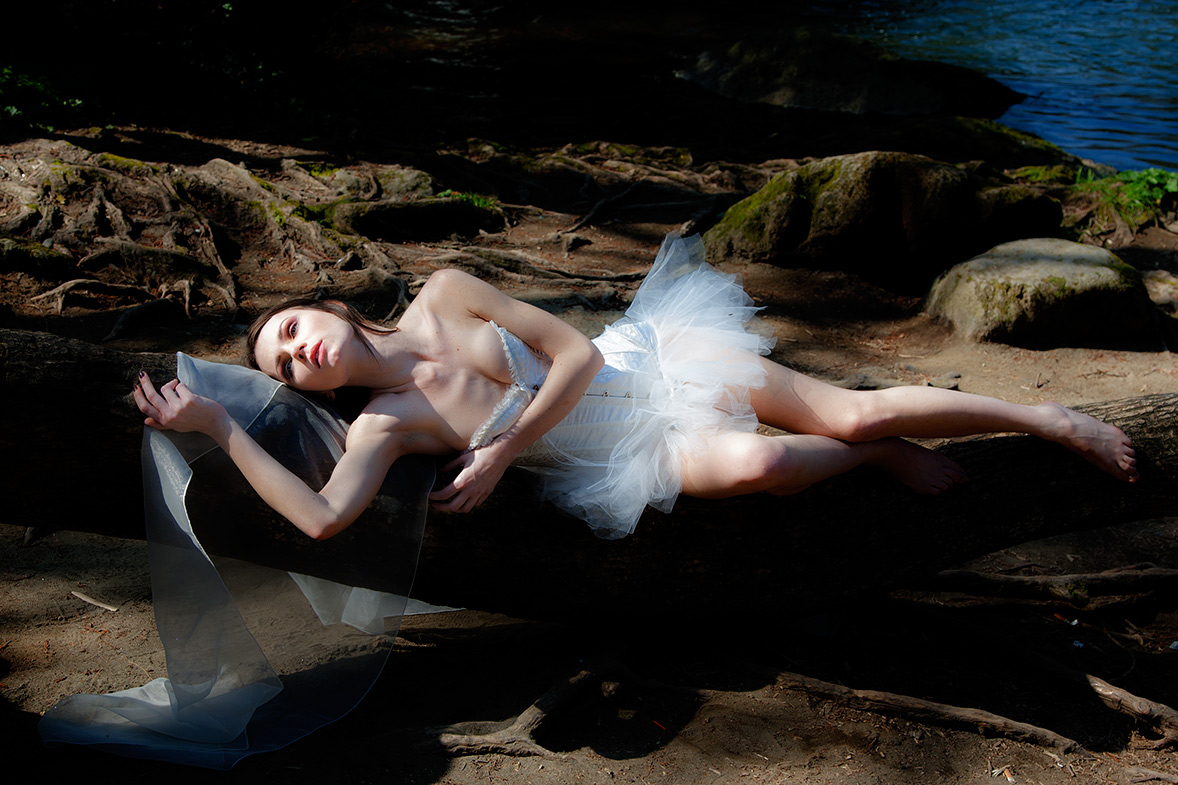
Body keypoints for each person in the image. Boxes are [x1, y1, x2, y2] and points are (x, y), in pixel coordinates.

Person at [133, 234, 1138, 540]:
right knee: (761, 467)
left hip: (651, 364)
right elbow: (319, 519)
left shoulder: (445, 293)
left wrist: (501, 449)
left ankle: (1042, 417)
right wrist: (220, 422)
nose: (296, 355)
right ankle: (874, 459)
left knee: (853, 406)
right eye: (279, 367)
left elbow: (572, 355)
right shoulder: (386, 425)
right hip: (626, 451)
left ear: (325, 309)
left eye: (291, 331)